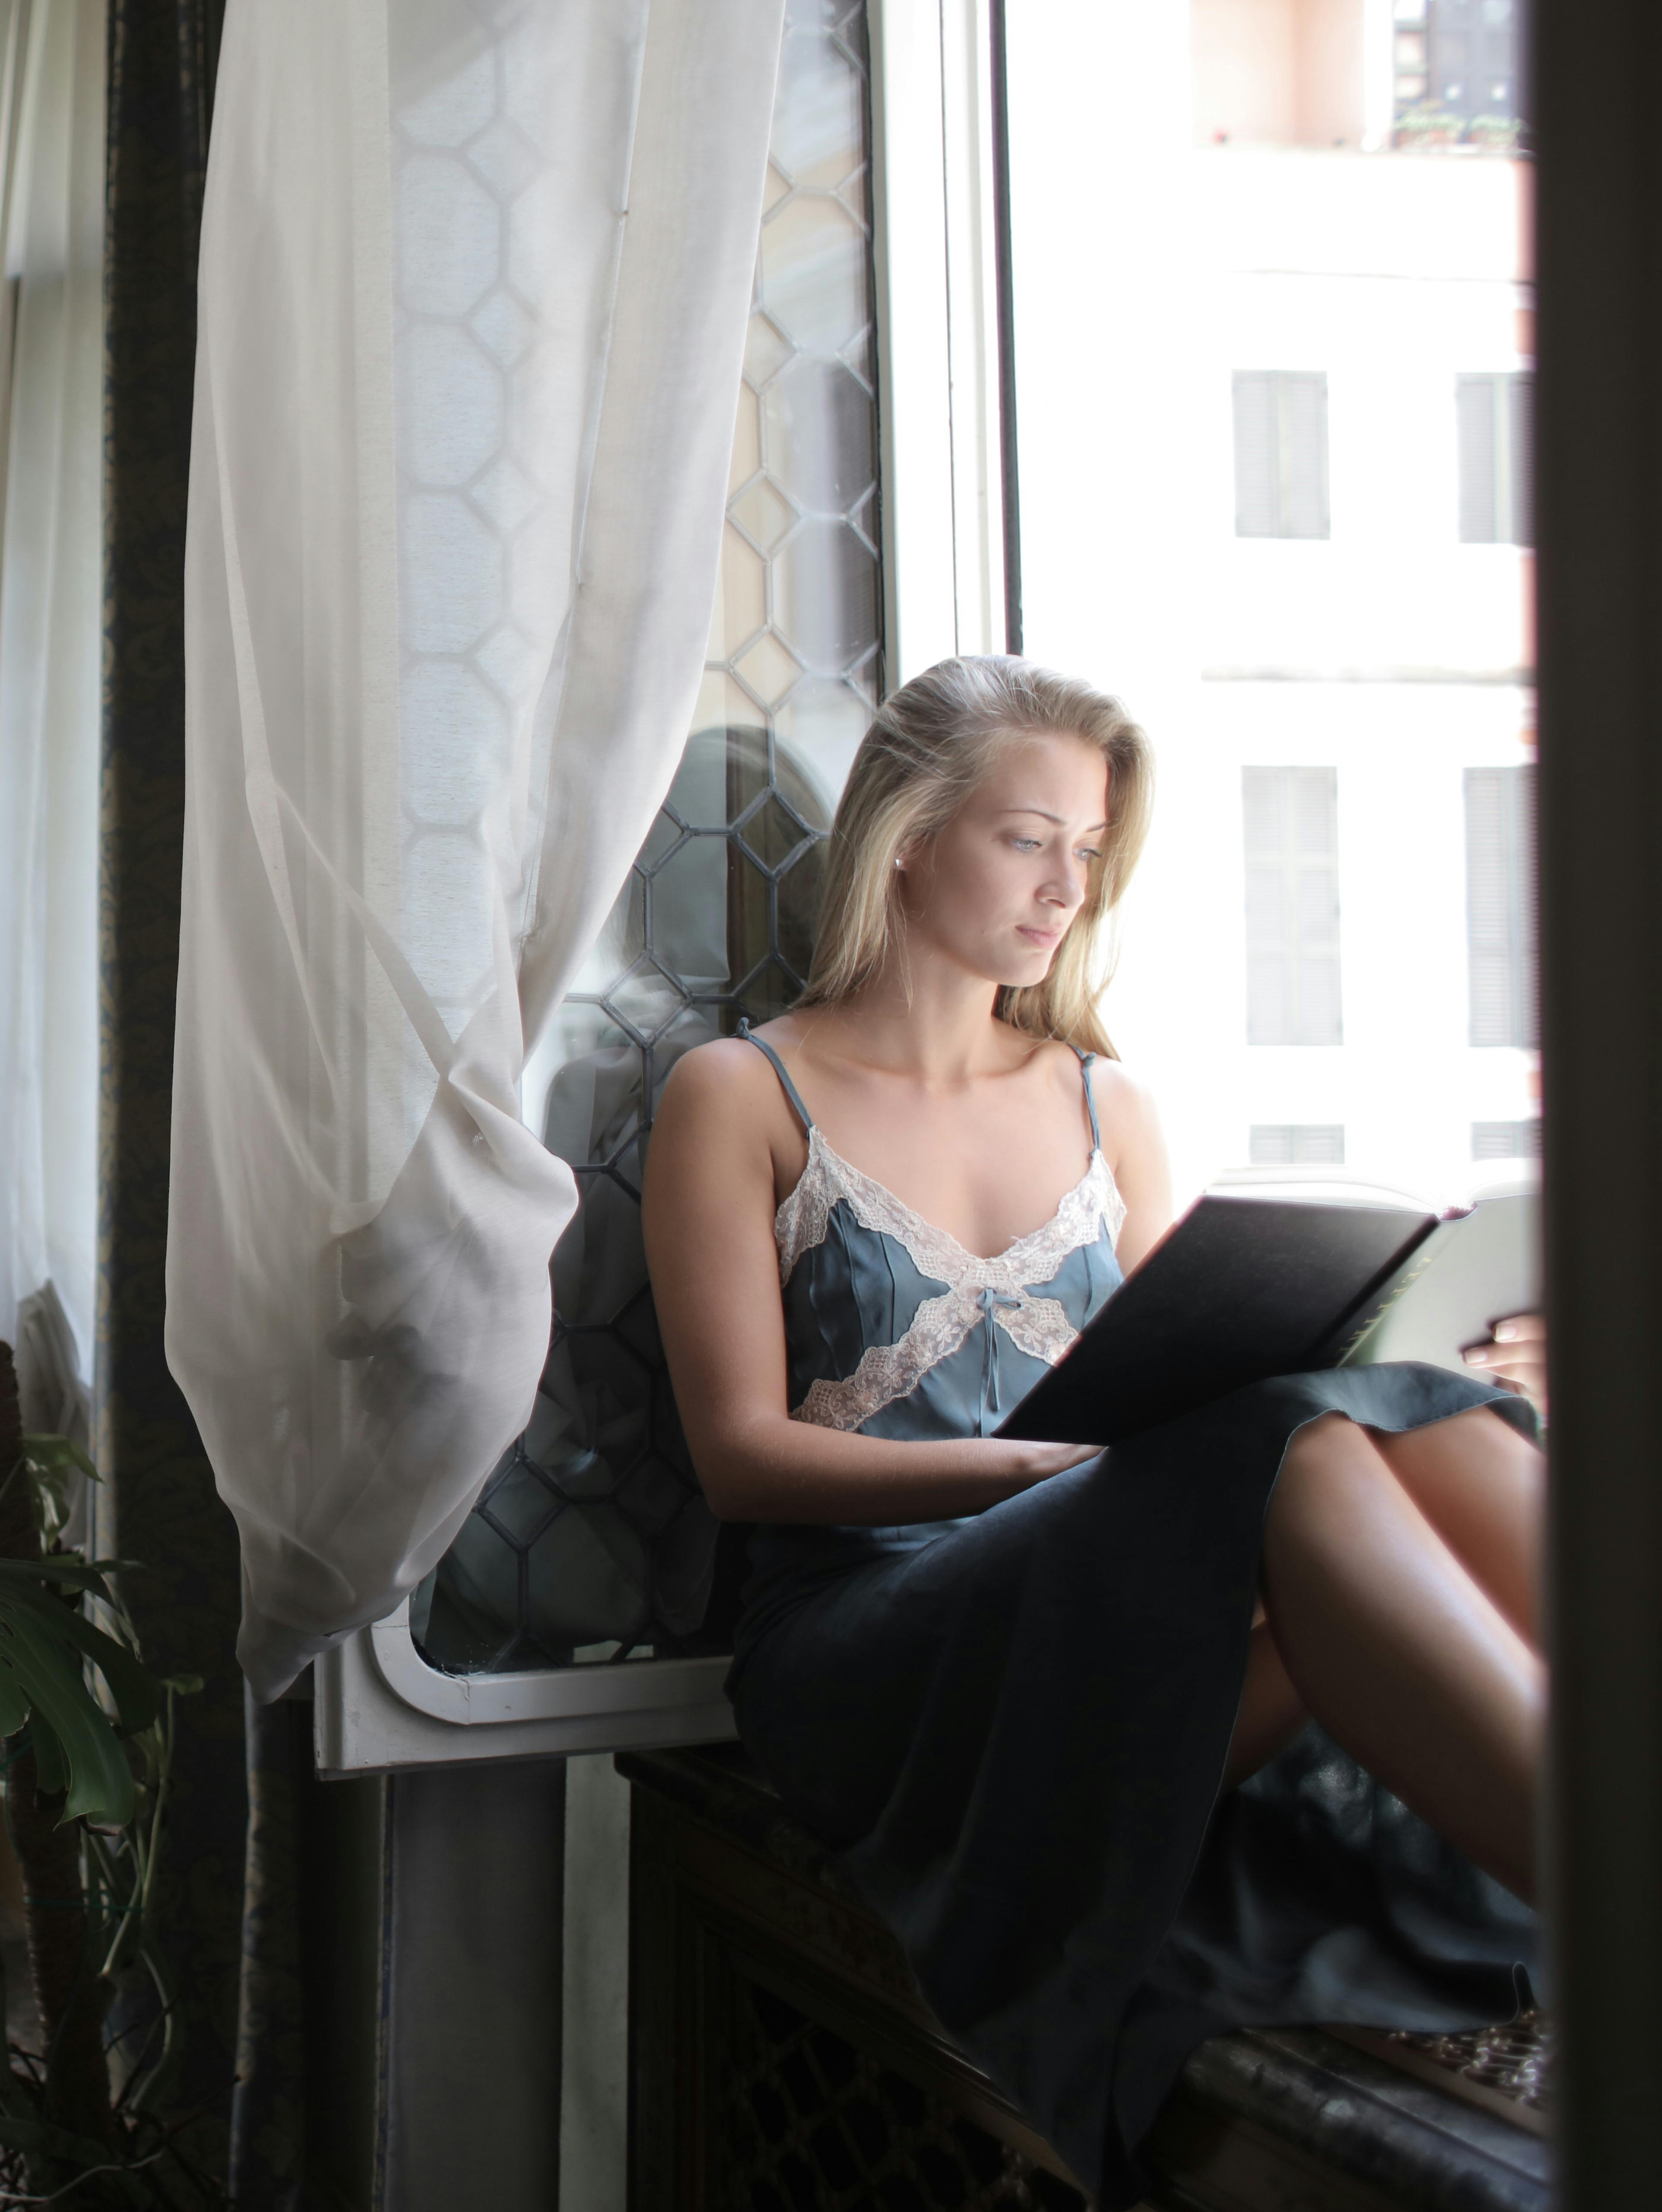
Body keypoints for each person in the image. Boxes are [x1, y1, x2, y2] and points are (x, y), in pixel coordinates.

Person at [640, 656, 1541, 2204]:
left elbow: (1207, 1376)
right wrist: (1036, 1469)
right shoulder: (741, 1092)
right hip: (871, 1643)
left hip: (1090, 1603)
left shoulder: (1106, 1103)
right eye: (1029, 839)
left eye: (1090, 851)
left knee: (1430, 1422)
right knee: (1308, 1447)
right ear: (909, 837)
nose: (1070, 887)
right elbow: (741, 1457)